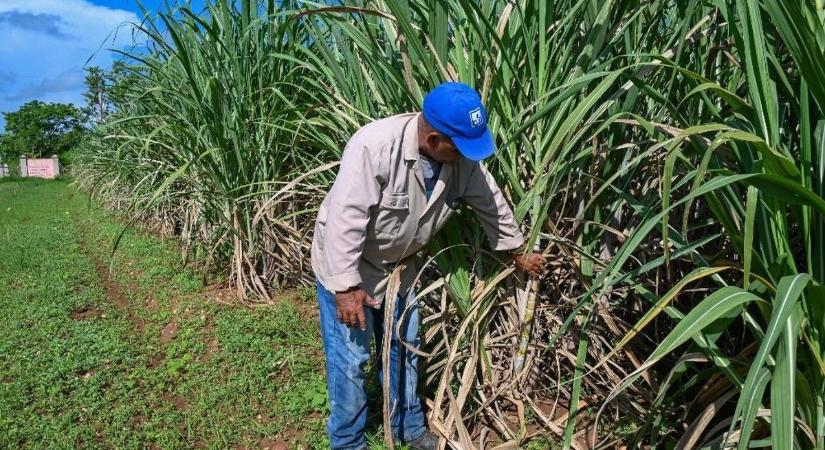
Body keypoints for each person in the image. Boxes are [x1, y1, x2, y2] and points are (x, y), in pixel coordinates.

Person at [311, 82, 546, 450]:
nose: (469, 155)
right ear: (435, 139)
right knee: (351, 359)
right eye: (461, 146)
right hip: (350, 264)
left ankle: (409, 427)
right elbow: (346, 216)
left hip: (401, 269)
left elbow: (490, 201)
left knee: (405, 346)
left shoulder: (460, 162)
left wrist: (516, 249)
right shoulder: (374, 146)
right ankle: (347, 442)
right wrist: (344, 287)